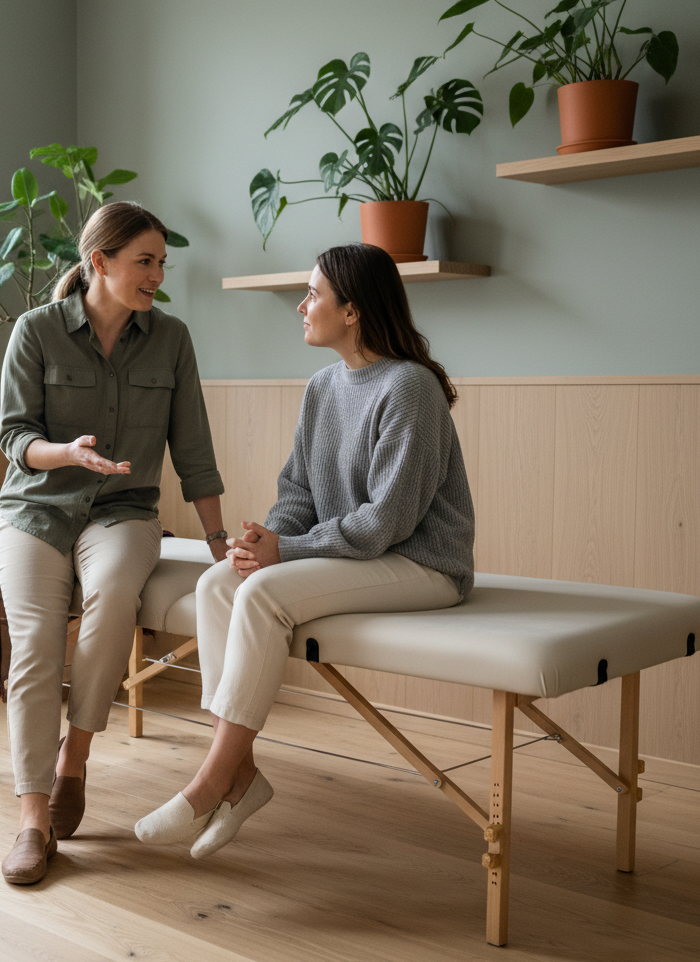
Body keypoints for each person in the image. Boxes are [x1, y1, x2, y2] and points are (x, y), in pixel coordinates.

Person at [134, 242, 474, 858]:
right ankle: (240, 773)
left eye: (314, 293)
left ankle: (211, 782)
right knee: (218, 584)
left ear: (353, 311)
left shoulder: (410, 389)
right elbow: (298, 490)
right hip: (365, 554)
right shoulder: (324, 387)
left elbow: (386, 523)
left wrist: (285, 552)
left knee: (262, 593)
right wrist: (259, 542)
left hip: (423, 562)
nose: (302, 306)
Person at [0, 201, 227, 884]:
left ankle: (76, 760)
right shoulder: (36, 331)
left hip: (124, 512)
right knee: (35, 640)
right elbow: (15, 440)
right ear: (101, 261)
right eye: (144, 261)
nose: (157, 275)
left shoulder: (172, 339)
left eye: (161, 263)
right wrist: (64, 453)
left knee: (114, 597)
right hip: (35, 510)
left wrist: (217, 538)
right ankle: (33, 819)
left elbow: (195, 451)